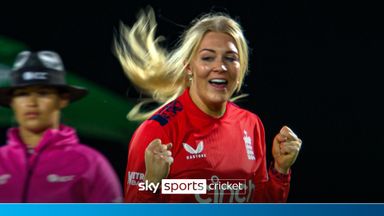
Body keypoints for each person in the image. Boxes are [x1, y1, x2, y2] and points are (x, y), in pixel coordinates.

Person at [114, 7, 302, 203]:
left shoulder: (251, 125)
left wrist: (280, 170)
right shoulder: (157, 132)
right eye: (207, 58)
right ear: (188, 66)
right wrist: (152, 183)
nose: (220, 67)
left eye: (230, 58)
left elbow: (260, 207)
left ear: (241, 69)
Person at [0, 50, 123, 202]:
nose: (31, 103)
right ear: (11, 102)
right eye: (22, 94)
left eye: (43, 93)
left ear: (63, 99)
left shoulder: (91, 163)